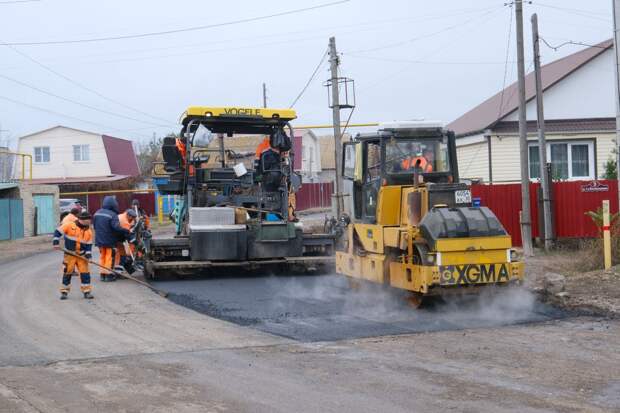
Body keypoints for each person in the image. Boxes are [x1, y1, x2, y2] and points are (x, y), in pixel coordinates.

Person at [53, 210, 94, 300]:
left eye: (90, 220)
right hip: (69, 254)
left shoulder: (89, 231)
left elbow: (89, 245)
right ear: (82, 220)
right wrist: (55, 241)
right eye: (88, 220)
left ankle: (87, 291)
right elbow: (57, 232)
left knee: (85, 273)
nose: (89, 222)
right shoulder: (69, 225)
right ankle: (64, 292)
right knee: (67, 272)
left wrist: (88, 255)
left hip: (81, 255)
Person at [93, 196, 132, 282]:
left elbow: (95, 226)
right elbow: (116, 227)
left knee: (102, 257)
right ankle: (108, 275)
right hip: (109, 240)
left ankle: (102, 274)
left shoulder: (97, 213)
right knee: (109, 257)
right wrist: (126, 231)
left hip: (99, 240)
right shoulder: (112, 215)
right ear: (114, 205)